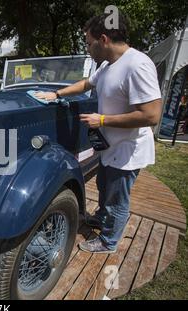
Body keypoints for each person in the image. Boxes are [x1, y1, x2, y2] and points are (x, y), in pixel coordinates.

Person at [35, 13, 162, 254]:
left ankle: (108, 241)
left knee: (117, 199)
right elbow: (86, 84)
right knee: (105, 187)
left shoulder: (138, 65)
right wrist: (57, 95)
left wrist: (102, 119)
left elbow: (152, 115)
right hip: (109, 146)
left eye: (88, 42)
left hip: (127, 151)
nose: (86, 47)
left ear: (103, 39)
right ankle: (102, 219)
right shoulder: (107, 65)